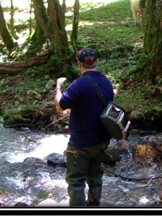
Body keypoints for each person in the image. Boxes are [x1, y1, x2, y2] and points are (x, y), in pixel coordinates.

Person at [55, 48, 115, 207]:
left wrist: (58, 87)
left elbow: (61, 107)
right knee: (95, 178)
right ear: (97, 62)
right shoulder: (106, 82)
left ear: (78, 64)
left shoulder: (78, 84)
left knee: (76, 181)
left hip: (81, 142)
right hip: (102, 140)